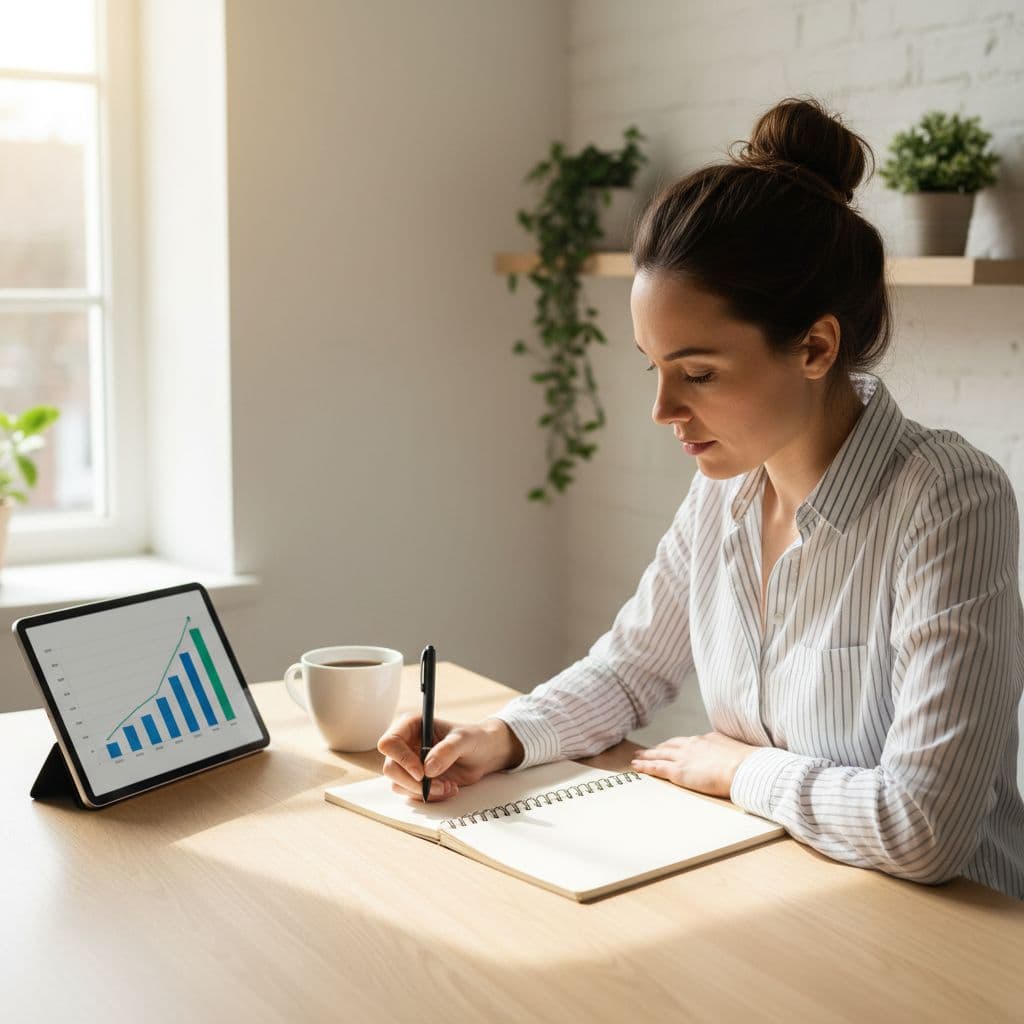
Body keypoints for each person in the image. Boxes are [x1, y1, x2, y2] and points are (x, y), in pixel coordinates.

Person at [378, 96, 1024, 900]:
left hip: (959, 936)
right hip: (787, 895)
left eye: (700, 373)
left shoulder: (949, 502)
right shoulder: (723, 494)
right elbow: (629, 671)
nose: (664, 411)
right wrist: (498, 737)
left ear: (816, 347)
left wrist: (743, 767)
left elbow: (926, 827)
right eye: (655, 368)